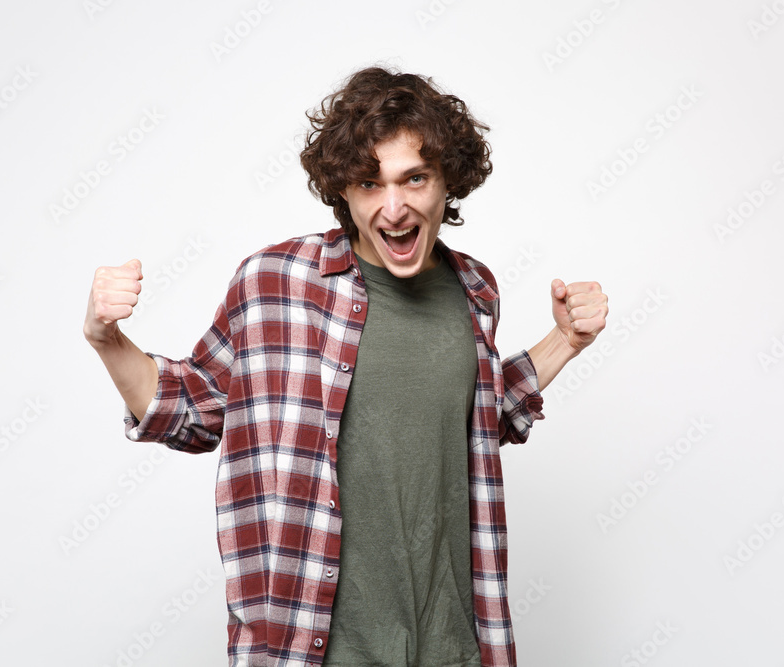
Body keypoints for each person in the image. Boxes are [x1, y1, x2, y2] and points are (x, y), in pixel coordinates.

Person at [83, 66, 608, 667]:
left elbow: (472, 423)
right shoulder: (274, 282)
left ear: (447, 182)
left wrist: (564, 340)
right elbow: (192, 410)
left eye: (415, 178)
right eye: (368, 183)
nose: (394, 208)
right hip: (318, 648)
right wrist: (107, 338)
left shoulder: (475, 290)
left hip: (454, 643)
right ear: (344, 191)